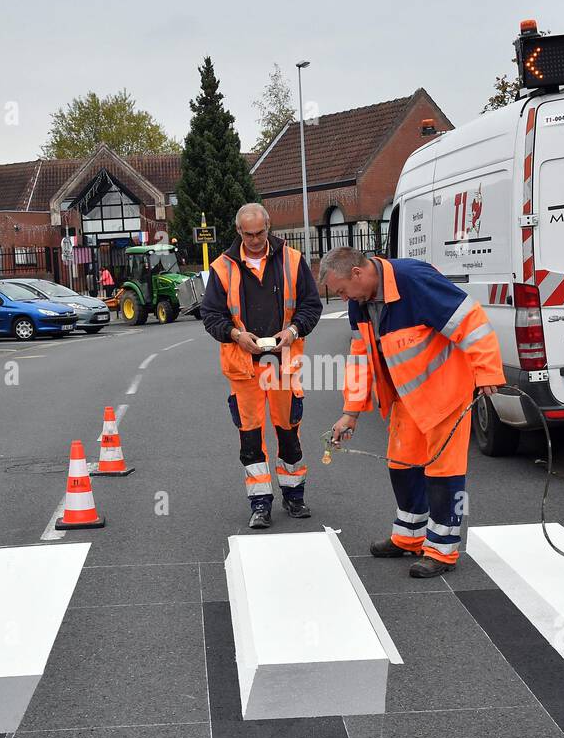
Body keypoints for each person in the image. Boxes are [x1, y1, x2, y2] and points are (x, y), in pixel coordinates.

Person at [323, 248, 505, 578]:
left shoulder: (413, 279)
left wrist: (488, 370)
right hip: (407, 397)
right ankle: (409, 536)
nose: (342, 297)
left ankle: (442, 550)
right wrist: (350, 412)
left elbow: (471, 321)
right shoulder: (359, 303)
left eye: (340, 290)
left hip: (445, 393)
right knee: (402, 465)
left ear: (357, 274)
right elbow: (361, 356)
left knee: (444, 474)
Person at [200, 203, 322, 529]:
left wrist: (293, 331)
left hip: (282, 362)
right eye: (248, 234)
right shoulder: (223, 267)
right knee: (251, 439)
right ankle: (260, 504)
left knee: (288, 432)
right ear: (238, 231)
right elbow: (211, 315)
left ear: (268, 227)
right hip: (244, 367)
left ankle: (295, 497)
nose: (255, 240)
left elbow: (312, 305)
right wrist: (236, 334)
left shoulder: (293, 261)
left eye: (260, 233)